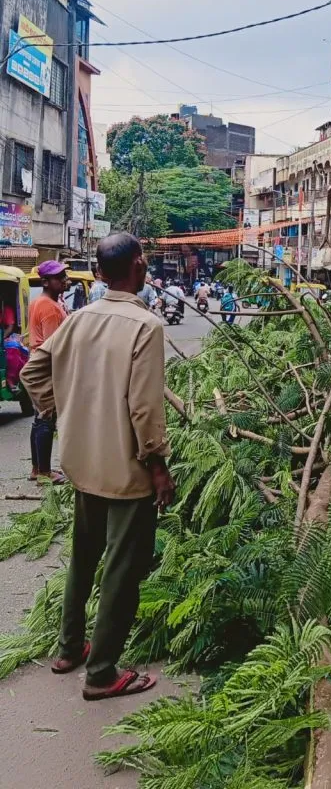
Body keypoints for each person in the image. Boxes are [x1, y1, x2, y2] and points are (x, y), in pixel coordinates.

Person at [21, 232, 174, 702]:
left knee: (84, 556)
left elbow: (32, 371)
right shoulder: (145, 326)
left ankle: (70, 649)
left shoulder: (78, 319)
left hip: (82, 461)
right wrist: (158, 466)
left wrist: (58, 414)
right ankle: (103, 672)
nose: (146, 264)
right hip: (125, 469)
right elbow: (146, 409)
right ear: (135, 268)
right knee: (121, 570)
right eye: (143, 259)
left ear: (102, 273)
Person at [27, 260, 69, 484]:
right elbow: (55, 346)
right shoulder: (50, 307)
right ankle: (44, 471)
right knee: (46, 417)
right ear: (45, 281)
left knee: (38, 418)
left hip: (36, 361)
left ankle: (37, 468)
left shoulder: (39, 301)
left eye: (64, 276)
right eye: (58, 277)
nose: (64, 280)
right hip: (46, 366)